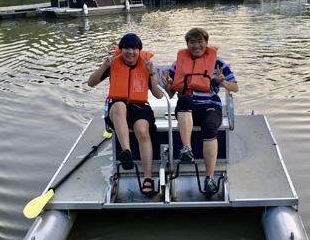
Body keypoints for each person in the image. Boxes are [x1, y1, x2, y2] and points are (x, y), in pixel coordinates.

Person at [163, 27, 238, 195]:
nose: (196, 45)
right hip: (188, 108)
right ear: (187, 44)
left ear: (206, 43)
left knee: (210, 127)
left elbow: (235, 87)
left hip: (210, 105)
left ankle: (209, 178)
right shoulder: (178, 64)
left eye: (200, 41)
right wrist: (168, 86)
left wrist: (222, 82)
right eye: (192, 42)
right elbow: (171, 93)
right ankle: (187, 149)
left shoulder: (219, 63)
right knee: (184, 99)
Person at [88, 33, 163, 195]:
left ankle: (148, 177)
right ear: (121, 50)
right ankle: (126, 152)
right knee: (120, 105)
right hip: (118, 108)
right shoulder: (113, 64)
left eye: (134, 48)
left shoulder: (146, 65)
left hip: (140, 107)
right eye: (127, 48)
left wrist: (152, 74)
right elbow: (91, 83)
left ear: (139, 50)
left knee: (143, 131)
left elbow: (158, 95)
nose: (130, 52)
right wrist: (103, 67)